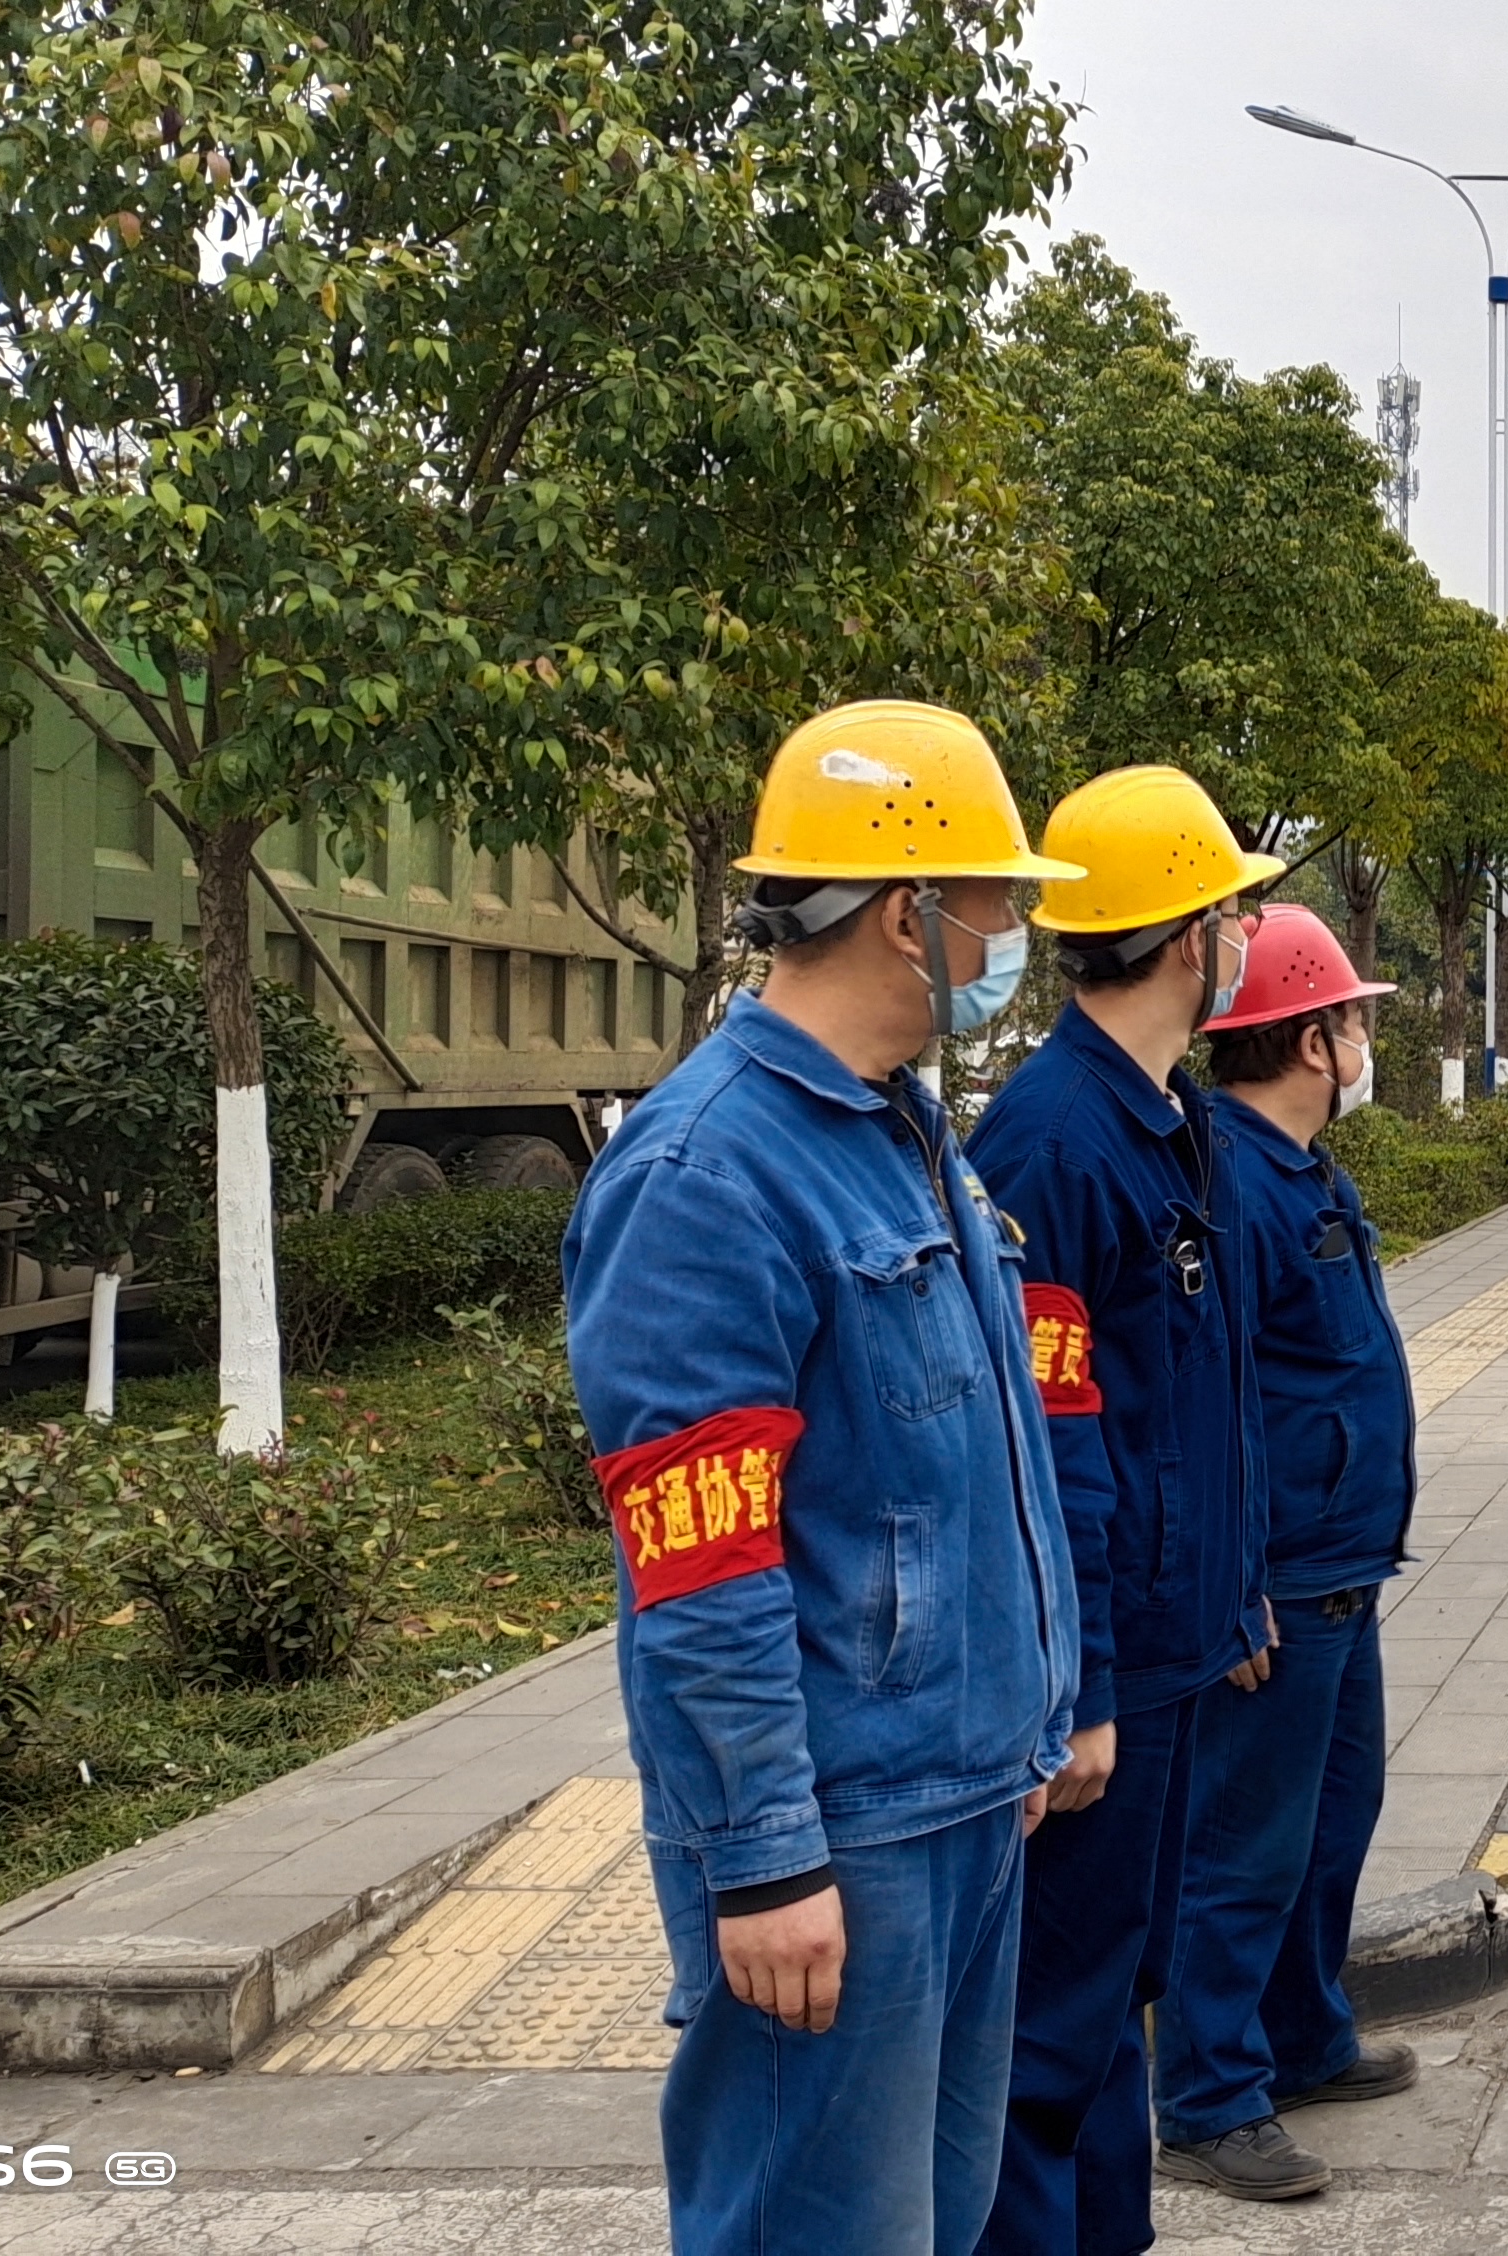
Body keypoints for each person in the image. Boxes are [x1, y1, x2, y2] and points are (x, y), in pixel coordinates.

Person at [561, 699, 1085, 2255]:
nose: (1012, 940)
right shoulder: (704, 1176)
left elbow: (978, 1471)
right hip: (841, 1839)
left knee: (936, 2219)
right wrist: (765, 1857)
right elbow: (701, 1573)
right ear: (909, 914)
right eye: (998, 904)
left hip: (971, 1798)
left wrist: (1038, 1716)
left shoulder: (908, 1135)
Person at [964, 766, 1287, 2253]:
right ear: (1183, 936)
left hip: (1175, 1642)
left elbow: (1196, 1403)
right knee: (1053, 2039)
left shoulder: (1167, 1119)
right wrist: (1080, 1689)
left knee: (1115, 2008)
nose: (1246, 933)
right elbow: (1050, 1446)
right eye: (1232, 908)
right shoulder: (1054, 1141)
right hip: (1112, 1675)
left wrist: (1238, 1593)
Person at [1151, 905, 1420, 2200]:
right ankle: (1208, 2096)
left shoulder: (1299, 1169)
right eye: (1356, 1021)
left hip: (1342, 1566)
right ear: (1315, 1039)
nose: (1366, 1042)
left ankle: (1303, 2036)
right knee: (1247, 1845)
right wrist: (1235, 1589)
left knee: (1334, 1815)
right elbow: (1209, 1407)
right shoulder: (1236, 1188)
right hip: (1282, 1584)